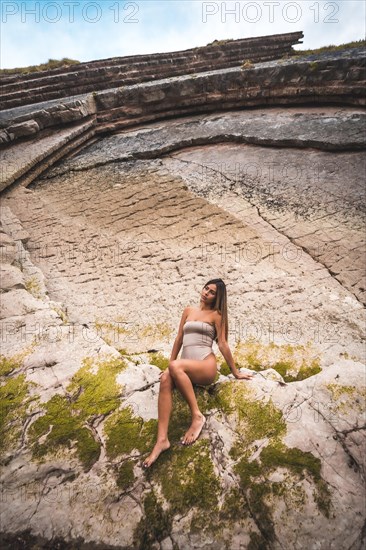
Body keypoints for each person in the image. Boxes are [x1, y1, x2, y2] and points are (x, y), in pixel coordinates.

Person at [142, 278, 253, 468]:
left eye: (212, 293)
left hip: (205, 365)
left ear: (217, 298)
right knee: (167, 377)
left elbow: (223, 344)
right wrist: (169, 364)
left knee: (175, 368)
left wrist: (235, 372)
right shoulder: (188, 311)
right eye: (206, 288)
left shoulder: (217, 315)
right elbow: (179, 339)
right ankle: (162, 440)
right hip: (184, 366)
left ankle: (197, 416)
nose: (206, 293)